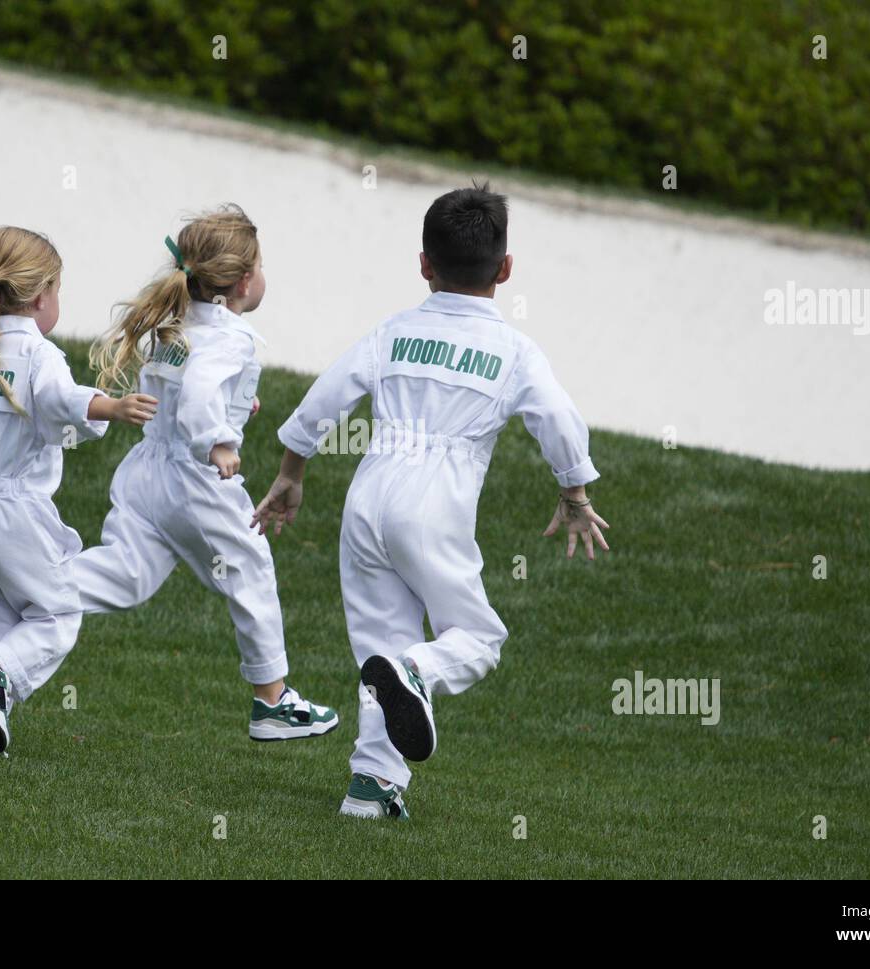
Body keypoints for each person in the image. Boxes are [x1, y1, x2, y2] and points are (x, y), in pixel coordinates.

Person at [252, 184, 610, 818]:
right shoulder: (516, 351)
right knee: (474, 636)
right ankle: (418, 675)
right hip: (436, 502)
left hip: (368, 494)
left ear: (423, 263)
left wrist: (291, 472)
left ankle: (372, 787)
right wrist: (574, 490)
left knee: (379, 646)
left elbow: (325, 397)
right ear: (505, 270)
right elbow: (556, 417)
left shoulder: (394, 331)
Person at [75, 205, 339, 741]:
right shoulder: (232, 336)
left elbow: (182, 387)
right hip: (195, 479)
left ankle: (40, 588)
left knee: (127, 573)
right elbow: (198, 393)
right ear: (244, 283)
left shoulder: (176, 320)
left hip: (146, 472)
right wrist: (217, 440)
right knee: (251, 567)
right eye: (261, 266)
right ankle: (272, 701)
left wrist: (237, 404)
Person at [0, 226, 156, 755]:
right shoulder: (38, 354)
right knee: (57, 613)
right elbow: (59, 398)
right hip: (10, 507)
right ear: (40, 295)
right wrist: (113, 407)